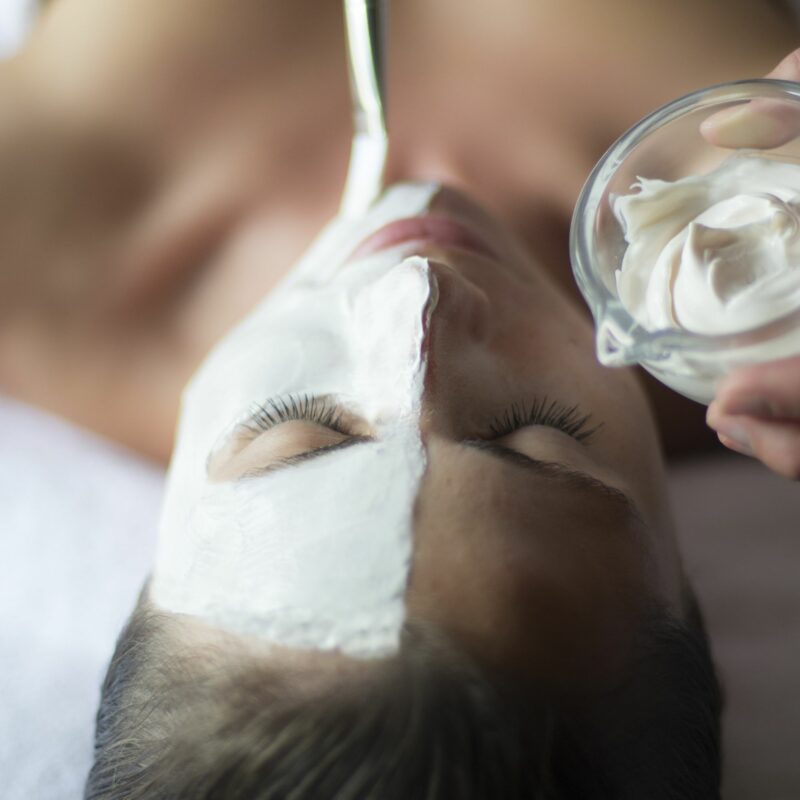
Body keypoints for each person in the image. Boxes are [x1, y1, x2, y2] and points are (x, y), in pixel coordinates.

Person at [0, 0, 797, 797]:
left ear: (148, 573)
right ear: (685, 589)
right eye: (537, 436)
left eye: (302, 432)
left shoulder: (37, 246)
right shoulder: (764, 251)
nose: (421, 303)